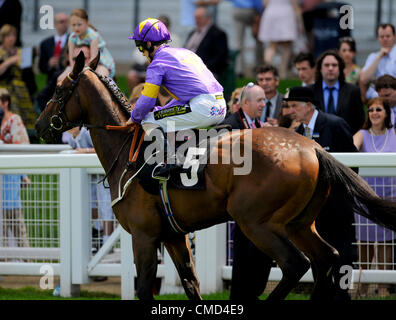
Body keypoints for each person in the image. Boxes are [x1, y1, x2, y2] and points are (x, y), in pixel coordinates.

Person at [126, 18, 226, 178]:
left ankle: (168, 162)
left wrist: (134, 117)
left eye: (140, 46)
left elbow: (147, 101)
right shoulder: (186, 52)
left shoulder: (157, 63)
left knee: (148, 120)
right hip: (221, 106)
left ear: (149, 44)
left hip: (203, 108)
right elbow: (186, 97)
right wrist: (163, 110)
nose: (141, 51)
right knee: (160, 115)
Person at [286, 86, 358, 300]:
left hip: (337, 203)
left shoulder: (335, 124)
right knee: (317, 251)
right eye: (289, 106)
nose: (290, 111)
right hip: (312, 206)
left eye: (294, 106)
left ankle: (344, 294)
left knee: (343, 252)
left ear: (309, 107)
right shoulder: (297, 133)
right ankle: (322, 293)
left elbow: (353, 164)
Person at [221, 83, 273, 300]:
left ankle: (252, 294)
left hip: (261, 204)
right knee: (245, 256)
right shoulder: (229, 126)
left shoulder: (260, 125)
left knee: (262, 254)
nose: (264, 104)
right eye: (259, 100)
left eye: (264, 100)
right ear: (244, 103)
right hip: (242, 204)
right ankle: (241, 299)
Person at [352, 97, 396, 297]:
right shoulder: (362, 134)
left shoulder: (394, 133)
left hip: (390, 197)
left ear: (387, 112)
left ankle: (384, 287)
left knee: (387, 243)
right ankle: (362, 288)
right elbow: (351, 150)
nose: (374, 113)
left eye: (378, 109)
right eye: (370, 110)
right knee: (365, 243)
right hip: (366, 198)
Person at [0, 88, 30, 249]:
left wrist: (22, 174)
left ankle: (28, 264)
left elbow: (22, 147)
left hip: (10, 177)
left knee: (15, 221)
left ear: (5, 103)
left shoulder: (14, 120)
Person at [308, 50, 365, 134]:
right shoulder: (310, 91)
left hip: (345, 141)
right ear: (320, 68)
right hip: (317, 142)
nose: (330, 68)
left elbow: (360, 121)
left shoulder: (353, 91)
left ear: (340, 68)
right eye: (326, 65)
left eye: (334, 65)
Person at [0, 24, 37, 134]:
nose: (11, 38)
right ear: (3, 37)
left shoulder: (22, 52)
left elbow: (28, 74)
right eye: (8, 36)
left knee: (25, 115)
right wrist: (9, 61)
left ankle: (25, 136)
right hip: (3, 88)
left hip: (20, 88)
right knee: (11, 107)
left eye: (13, 35)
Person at [63, 8, 115, 79]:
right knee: (61, 78)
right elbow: (71, 57)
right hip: (79, 62)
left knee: (102, 78)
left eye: (79, 24)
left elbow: (93, 58)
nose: (76, 27)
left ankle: (112, 89)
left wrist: (84, 71)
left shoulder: (93, 36)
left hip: (98, 61)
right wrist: (74, 70)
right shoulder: (72, 37)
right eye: (73, 25)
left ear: (87, 23)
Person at [258, 0, 304, 78]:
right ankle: (282, 72)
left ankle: (268, 70)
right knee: (286, 46)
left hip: (271, 13)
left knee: (272, 46)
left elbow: (264, 3)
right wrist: (300, 23)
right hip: (286, 14)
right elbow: (295, 6)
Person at [184, 6, 228, 78]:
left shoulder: (217, 34)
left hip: (206, 70)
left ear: (207, 18)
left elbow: (220, 56)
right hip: (188, 67)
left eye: (199, 18)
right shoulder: (193, 32)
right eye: (195, 18)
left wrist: (204, 67)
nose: (196, 21)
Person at [360, 23, 396, 102]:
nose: (385, 39)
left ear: (394, 36)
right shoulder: (373, 56)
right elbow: (364, 79)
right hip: (376, 100)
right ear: (378, 38)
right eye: (382, 37)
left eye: (388, 36)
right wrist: (379, 57)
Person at [231, 0, 264, 77]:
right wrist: (259, 13)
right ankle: (258, 67)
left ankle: (239, 70)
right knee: (258, 40)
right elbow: (258, 2)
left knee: (238, 42)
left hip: (237, 9)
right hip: (251, 10)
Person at [38, 12, 69, 83]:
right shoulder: (45, 43)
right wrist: (49, 64)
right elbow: (41, 67)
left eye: (66, 21)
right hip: (51, 81)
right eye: (61, 22)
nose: (64, 24)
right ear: (55, 24)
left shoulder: (73, 40)